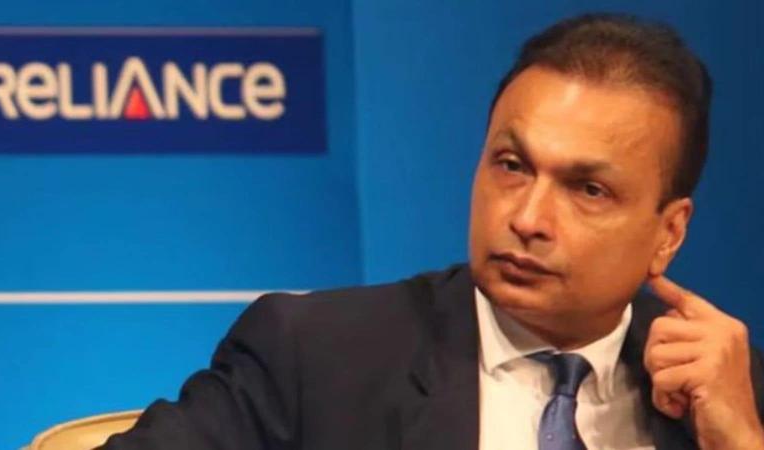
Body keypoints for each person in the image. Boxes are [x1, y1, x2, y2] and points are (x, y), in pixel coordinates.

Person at [100, 13, 764, 450]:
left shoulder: (735, 393)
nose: (527, 219)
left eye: (588, 190)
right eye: (511, 166)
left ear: (668, 232)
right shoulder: (315, 358)